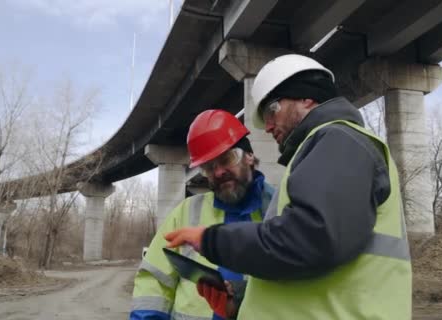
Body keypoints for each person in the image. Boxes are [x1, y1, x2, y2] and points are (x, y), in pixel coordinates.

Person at [165, 54, 412, 320]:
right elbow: (306, 273)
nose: (268, 127)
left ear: (306, 97)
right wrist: (240, 305)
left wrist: (212, 240)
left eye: (271, 112)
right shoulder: (322, 150)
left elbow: (313, 239)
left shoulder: (338, 139)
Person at [129, 109, 275, 320]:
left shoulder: (279, 211)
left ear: (250, 156)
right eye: (208, 167)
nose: (218, 172)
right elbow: (154, 279)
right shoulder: (186, 212)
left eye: (227, 159)